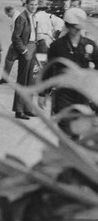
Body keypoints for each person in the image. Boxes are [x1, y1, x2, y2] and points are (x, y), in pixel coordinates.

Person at [39, 8, 98, 138]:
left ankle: (72, 150)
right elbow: (49, 70)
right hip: (63, 93)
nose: (78, 31)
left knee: (78, 127)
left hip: (83, 94)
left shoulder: (90, 45)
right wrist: (42, 93)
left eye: (80, 28)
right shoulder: (57, 46)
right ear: (67, 26)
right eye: (75, 28)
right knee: (65, 126)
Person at [11, 0, 39, 119]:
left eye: (36, 4)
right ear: (26, 4)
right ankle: (18, 110)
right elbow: (15, 37)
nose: (34, 7)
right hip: (26, 49)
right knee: (22, 80)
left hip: (34, 48)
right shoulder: (21, 18)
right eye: (31, 4)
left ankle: (28, 108)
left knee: (31, 80)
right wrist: (23, 51)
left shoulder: (34, 17)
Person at [0, 6, 21, 84]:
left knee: (8, 60)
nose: (7, 16)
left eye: (7, 14)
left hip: (16, 43)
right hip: (21, 43)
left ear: (10, 11)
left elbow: (16, 32)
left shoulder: (16, 17)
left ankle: (4, 78)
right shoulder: (19, 14)